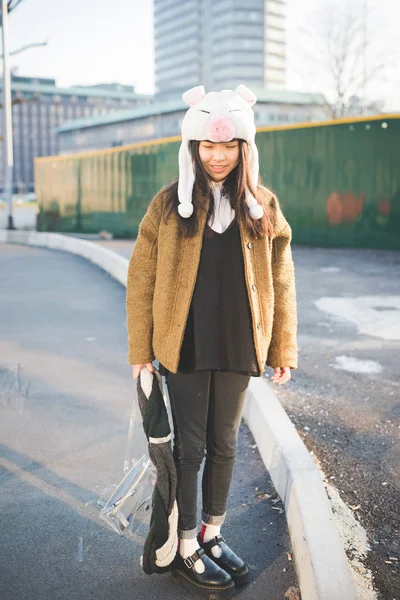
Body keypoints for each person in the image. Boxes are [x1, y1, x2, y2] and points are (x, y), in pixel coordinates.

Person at [126, 84, 298, 599]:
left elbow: (282, 277)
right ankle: (183, 545)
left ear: (244, 148)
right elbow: (141, 279)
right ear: (193, 147)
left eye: (227, 147)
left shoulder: (262, 205)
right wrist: (140, 353)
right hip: (186, 344)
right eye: (208, 146)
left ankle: (212, 535)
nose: (217, 156)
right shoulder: (168, 205)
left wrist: (282, 347)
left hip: (241, 343)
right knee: (191, 447)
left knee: (225, 446)